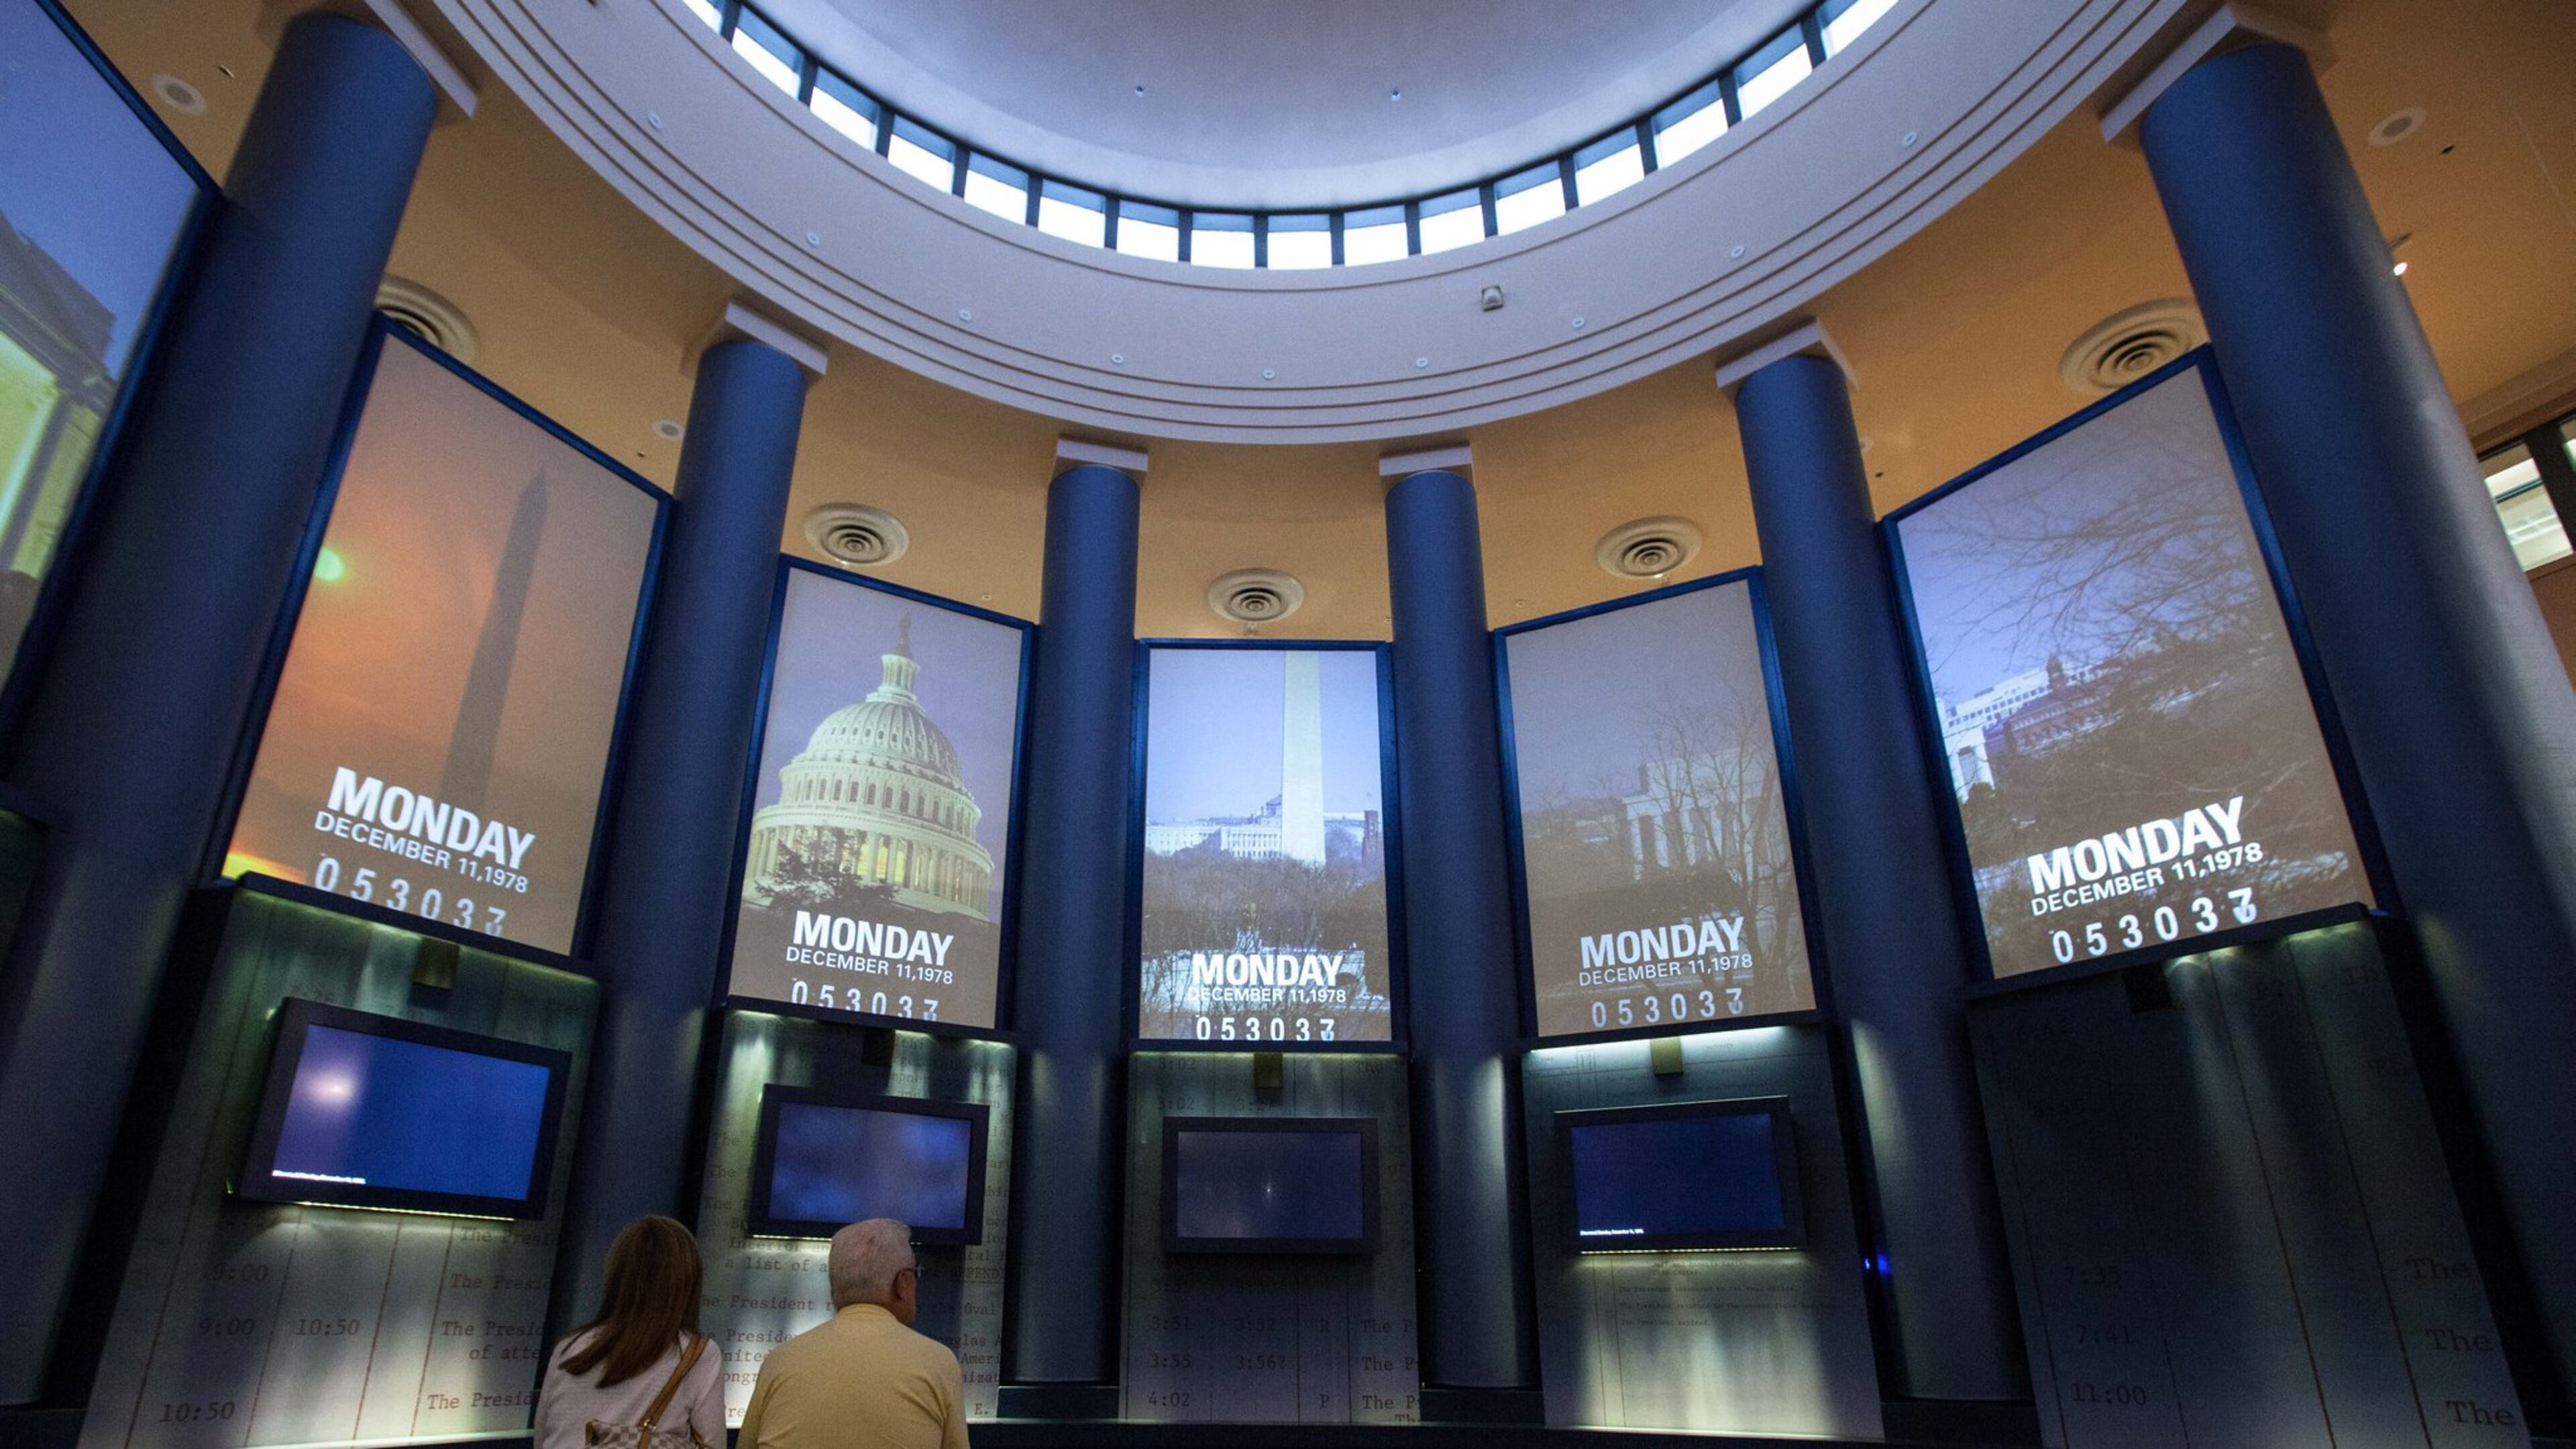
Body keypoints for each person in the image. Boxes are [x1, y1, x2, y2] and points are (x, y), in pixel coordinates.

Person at [736, 1218, 969, 1449]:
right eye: (914, 1275)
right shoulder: (937, 1362)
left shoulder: (779, 1360)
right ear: (903, 1283)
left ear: (834, 1288)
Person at [534, 1216, 724, 1449]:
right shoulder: (698, 1354)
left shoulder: (569, 1348)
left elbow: (542, 1438)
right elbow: (713, 1444)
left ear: (616, 1275)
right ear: (687, 1283)